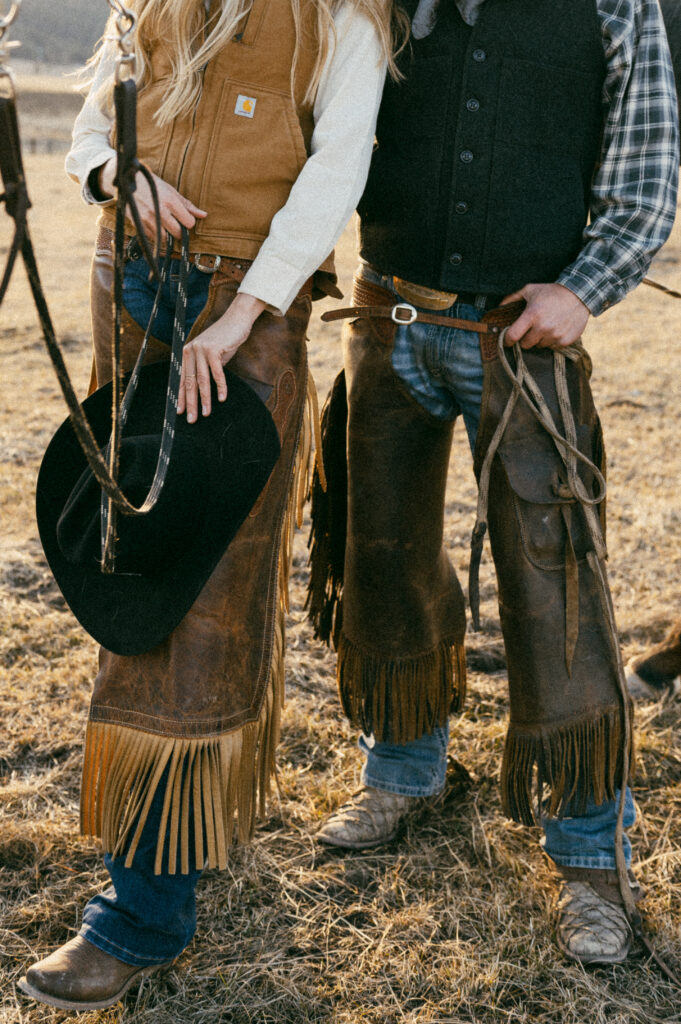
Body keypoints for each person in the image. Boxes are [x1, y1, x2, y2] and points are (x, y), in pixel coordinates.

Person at [19, 0, 402, 1010]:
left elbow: (335, 174)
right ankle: (179, 846)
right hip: (131, 292)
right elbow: (97, 122)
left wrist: (241, 317)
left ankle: (143, 912)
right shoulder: (147, 0)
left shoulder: (341, 22)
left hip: (243, 319)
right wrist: (115, 175)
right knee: (132, 563)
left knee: (198, 602)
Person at [310, 0, 679, 966]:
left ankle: (590, 852)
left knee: (555, 587)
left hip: (525, 337)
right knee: (381, 558)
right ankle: (402, 771)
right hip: (386, 321)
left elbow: (643, 180)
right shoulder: (374, 1)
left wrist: (584, 289)